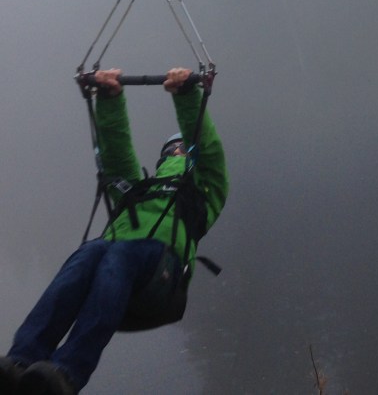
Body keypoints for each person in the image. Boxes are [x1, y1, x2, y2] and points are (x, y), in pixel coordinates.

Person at [0, 67, 229, 395]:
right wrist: (109, 97)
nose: (176, 153)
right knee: (90, 251)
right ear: (162, 157)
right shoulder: (137, 191)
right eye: (170, 150)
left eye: (182, 149)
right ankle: (22, 359)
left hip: (162, 279)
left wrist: (187, 96)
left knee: (118, 252)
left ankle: (69, 372)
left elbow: (208, 150)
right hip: (117, 273)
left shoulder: (205, 192)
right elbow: (117, 156)